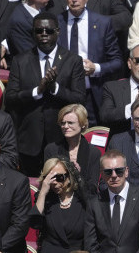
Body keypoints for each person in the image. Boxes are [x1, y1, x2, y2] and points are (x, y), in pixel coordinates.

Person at [6, 13, 87, 173]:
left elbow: (79, 99)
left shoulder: (73, 60)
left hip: (61, 139)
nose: (44, 34)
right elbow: (10, 98)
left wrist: (55, 88)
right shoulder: (20, 61)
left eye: (49, 31)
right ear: (33, 33)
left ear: (58, 31)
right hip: (29, 141)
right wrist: (37, 91)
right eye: (39, 31)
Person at [31, 158, 96, 253]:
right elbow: (35, 223)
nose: (55, 182)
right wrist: (43, 192)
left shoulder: (83, 200)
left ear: (69, 176)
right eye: (50, 178)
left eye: (59, 177)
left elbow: (92, 237)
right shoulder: (47, 200)